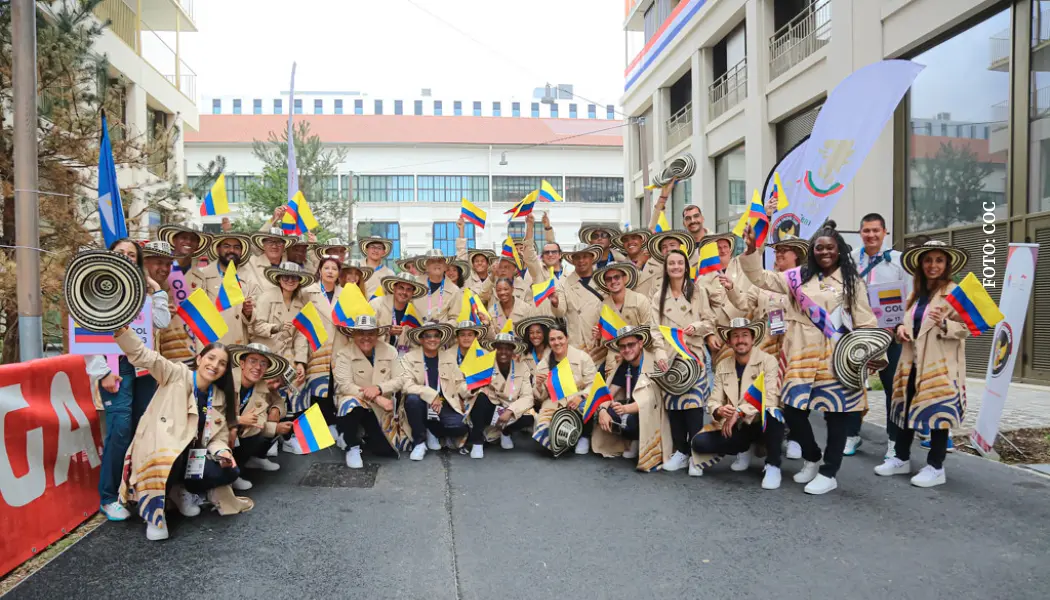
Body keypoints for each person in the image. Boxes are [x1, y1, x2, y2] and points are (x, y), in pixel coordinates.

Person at [740, 221, 879, 495]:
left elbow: (865, 320)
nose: (824, 252)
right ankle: (813, 456)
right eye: (819, 248)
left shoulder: (852, 282)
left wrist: (870, 353)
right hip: (800, 352)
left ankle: (829, 472)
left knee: (836, 414)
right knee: (792, 409)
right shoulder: (797, 277)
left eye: (830, 247)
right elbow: (760, 278)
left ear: (839, 251)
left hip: (836, 354)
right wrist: (751, 248)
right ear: (812, 252)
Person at [111, 328, 251, 541]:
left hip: (193, 455)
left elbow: (217, 437)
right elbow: (143, 354)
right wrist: (122, 331)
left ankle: (179, 490)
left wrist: (223, 452)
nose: (215, 365)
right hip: (162, 448)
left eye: (222, 363)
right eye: (211, 358)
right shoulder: (175, 373)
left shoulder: (220, 396)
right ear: (199, 358)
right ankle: (154, 515)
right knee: (169, 455)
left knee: (229, 472)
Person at [86, 240, 171, 522]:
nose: (125, 257)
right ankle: (109, 497)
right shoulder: (94, 287)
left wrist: (156, 289)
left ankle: (132, 489)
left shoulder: (141, 294)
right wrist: (102, 372)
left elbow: (161, 321)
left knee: (141, 428)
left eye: (132, 255)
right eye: (120, 253)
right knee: (120, 428)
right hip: (114, 367)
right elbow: (87, 333)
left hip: (144, 366)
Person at [874, 241, 971, 488]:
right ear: (920, 264)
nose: (933, 265)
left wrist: (945, 324)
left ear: (947, 264)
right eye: (928, 260)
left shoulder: (956, 292)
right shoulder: (914, 293)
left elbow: (968, 329)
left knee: (939, 413)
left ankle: (936, 467)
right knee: (905, 409)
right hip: (912, 361)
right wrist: (901, 329)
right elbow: (906, 322)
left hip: (940, 364)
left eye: (939, 260)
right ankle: (902, 458)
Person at [721, 235, 807, 459]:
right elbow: (743, 303)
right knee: (762, 395)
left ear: (796, 255)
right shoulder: (761, 283)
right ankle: (757, 441)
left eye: (785, 250)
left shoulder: (804, 282)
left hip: (794, 347)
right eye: (777, 250)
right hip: (764, 348)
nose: (779, 254)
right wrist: (731, 289)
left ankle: (795, 437)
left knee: (793, 395)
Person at [845, 213, 910, 458]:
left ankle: (894, 441)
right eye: (866, 231)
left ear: (885, 233)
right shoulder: (850, 260)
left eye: (876, 230)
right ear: (860, 233)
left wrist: (899, 326)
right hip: (859, 335)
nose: (871, 235)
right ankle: (851, 435)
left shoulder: (899, 261)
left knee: (892, 389)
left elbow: (908, 297)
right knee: (852, 385)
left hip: (890, 337)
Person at [691, 318, 784, 489]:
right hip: (738, 426)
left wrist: (739, 411)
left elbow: (771, 397)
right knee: (700, 443)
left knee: (773, 413)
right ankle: (744, 448)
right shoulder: (723, 364)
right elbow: (713, 400)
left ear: (753, 338)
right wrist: (720, 410)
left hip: (761, 421)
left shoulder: (768, 360)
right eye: (735, 336)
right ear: (729, 341)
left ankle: (773, 465)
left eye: (744, 335)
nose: (740, 340)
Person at [648, 247, 717, 473]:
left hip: (693, 354)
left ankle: (696, 455)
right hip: (669, 358)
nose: (676, 267)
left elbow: (710, 321)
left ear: (686, 266)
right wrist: (659, 353)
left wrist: (696, 327)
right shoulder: (658, 296)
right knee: (675, 406)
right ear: (666, 268)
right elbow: (654, 329)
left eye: (680, 263)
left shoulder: (697, 291)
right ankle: (681, 451)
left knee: (694, 406)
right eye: (671, 264)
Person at [332, 315, 410, 468]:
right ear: (353, 334)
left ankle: (361, 434)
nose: (366, 338)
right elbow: (345, 386)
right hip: (358, 404)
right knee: (350, 403)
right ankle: (351, 446)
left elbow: (401, 379)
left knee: (384, 451)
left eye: (370, 333)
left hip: (381, 410)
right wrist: (376, 397)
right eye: (361, 333)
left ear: (377, 335)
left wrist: (380, 389)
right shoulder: (344, 354)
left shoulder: (390, 351)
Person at [591, 325, 673, 472]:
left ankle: (643, 443)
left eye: (631, 345)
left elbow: (652, 400)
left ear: (640, 343)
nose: (627, 349)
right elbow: (610, 393)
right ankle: (633, 439)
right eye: (622, 346)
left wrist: (626, 409)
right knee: (606, 410)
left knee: (629, 417)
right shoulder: (624, 365)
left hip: (654, 414)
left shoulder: (653, 362)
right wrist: (603, 410)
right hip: (631, 408)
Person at [400, 322, 474, 460]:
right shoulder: (408, 358)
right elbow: (405, 384)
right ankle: (419, 442)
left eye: (436, 336)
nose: (432, 339)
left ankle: (431, 429)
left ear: (440, 338)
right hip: (421, 402)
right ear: (421, 339)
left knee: (461, 426)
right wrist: (430, 394)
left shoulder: (448, 358)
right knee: (412, 399)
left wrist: (471, 389)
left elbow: (459, 383)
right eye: (427, 336)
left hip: (444, 403)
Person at [293, 255, 344, 451]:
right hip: (316, 348)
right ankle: (318, 431)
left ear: (339, 273)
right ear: (320, 271)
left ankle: (335, 426)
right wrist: (300, 358)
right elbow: (302, 327)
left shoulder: (345, 293)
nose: (330, 271)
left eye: (334, 268)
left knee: (336, 388)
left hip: (339, 349)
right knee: (317, 390)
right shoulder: (308, 292)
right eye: (326, 267)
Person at [228, 344, 292, 490]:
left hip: (239, 433)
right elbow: (211, 415)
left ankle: (235, 471)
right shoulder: (226, 381)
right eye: (253, 361)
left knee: (257, 431)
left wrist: (275, 415)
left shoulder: (259, 386)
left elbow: (275, 406)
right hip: (214, 434)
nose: (258, 367)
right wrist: (238, 420)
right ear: (242, 363)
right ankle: (226, 476)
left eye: (263, 364)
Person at [533, 320, 598, 455]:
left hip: (577, 402)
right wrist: (538, 385)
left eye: (560, 338)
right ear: (549, 342)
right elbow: (540, 397)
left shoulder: (582, 358)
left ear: (567, 338)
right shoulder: (544, 364)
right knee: (546, 433)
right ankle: (566, 439)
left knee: (587, 404)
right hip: (553, 404)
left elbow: (594, 384)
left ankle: (584, 436)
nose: (557, 343)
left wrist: (581, 396)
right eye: (552, 339)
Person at [186, 232, 260, 348]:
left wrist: (248, 312)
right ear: (218, 249)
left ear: (241, 251)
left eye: (236, 247)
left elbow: (256, 314)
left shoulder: (249, 278)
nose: (231, 250)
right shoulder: (202, 275)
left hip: (238, 343)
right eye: (226, 246)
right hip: (211, 344)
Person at [249, 261, 312, 388]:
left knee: (297, 388)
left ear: (299, 280)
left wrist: (300, 362)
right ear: (278, 278)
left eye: (294, 277)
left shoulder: (300, 305)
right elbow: (256, 327)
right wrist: (276, 328)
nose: (290, 280)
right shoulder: (266, 298)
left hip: (288, 357)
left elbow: (301, 336)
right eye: (285, 277)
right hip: (266, 355)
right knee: (264, 393)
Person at [470, 333, 537, 453]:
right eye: (499, 348)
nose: (503, 352)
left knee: (529, 417)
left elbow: (528, 396)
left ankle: (506, 432)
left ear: (513, 351)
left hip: (510, 409)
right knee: (479, 398)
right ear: (494, 349)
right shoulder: (485, 365)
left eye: (507, 348)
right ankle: (477, 441)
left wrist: (510, 410)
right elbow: (470, 386)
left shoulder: (522, 367)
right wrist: (479, 389)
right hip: (491, 407)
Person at [156, 225, 211, 364]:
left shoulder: (200, 277)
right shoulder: (161, 269)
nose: (188, 242)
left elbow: (203, 314)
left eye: (193, 239)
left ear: (197, 245)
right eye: (183, 237)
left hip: (191, 346)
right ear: (174, 240)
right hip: (163, 342)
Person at [589, 261, 655, 367]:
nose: (613, 281)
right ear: (605, 283)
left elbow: (650, 331)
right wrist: (598, 336)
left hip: (640, 357)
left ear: (624, 278)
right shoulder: (602, 306)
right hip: (613, 359)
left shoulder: (640, 300)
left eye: (616, 277)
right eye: (608, 279)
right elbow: (603, 342)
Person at [559, 244, 604, 353]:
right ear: (572, 261)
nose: (581, 261)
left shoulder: (603, 280)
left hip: (599, 343)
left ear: (592, 258)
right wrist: (555, 303)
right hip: (575, 344)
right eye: (577, 257)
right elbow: (560, 312)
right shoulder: (564, 282)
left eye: (585, 257)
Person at [371, 272, 429, 355]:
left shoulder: (415, 313)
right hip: (377, 356)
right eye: (401, 288)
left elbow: (416, 344)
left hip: (403, 361)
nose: (404, 292)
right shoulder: (376, 305)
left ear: (413, 293)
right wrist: (387, 332)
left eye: (409, 289)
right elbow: (366, 333)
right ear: (394, 288)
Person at [412, 249, 462, 324]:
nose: (437, 264)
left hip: (441, 333)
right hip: (416, 331)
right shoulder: (414, 284)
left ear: (445, 267)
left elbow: (455, 318)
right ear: (426, 267)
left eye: (440, 261)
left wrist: (441, 328)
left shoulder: (454, 290)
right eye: (432, 261)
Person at [612, 227, 659, 297]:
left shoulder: (658, 263)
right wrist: (640, 263)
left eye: (634, 238)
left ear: (642, 240)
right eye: (626, 240)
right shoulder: (618, 268)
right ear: (623, 245)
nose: (630, 242)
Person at [246, 228, 295, 294]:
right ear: (263, 245)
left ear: (284, 246)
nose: (274, 246)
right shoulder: (251, 263)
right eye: (270, 242)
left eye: (279, 242)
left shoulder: (293, 265)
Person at [455, 217, 496, 294]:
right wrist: (461, 229)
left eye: (482, 261)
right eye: (476, 261)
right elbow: (461, 253)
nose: (479, 263)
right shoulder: (467, 277)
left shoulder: (494, 278)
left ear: (487, 264)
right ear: (473, 264)